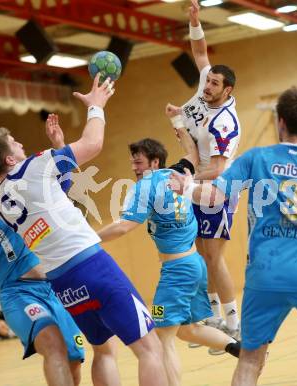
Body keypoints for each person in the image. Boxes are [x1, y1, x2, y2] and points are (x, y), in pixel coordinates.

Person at [0, 74, 168, 386]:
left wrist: (60, 147)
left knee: (103, 351)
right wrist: (96, 106)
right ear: (10, 158)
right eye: (15, 142)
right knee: (149, 347)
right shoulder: (35, 165)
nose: (21, 142)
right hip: (92, 266)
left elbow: (56, 194)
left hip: (63, 282)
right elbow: (93, 144)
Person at [170, 87, 297, 385]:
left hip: (264, 277)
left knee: (250, 361)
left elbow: (215, 198)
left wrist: (187, 188)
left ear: (280, 121)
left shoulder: (256, 158)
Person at [97, 106, 240, 386]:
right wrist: (177, 122)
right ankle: (243, 350)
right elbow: (192, 153)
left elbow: (124, 226)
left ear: (153, 163)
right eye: (132, 161)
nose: (133, 167)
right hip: (195, 266)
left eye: (138, 162)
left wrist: (91, 238)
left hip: (176, 271)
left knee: (161, 339)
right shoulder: (178, 176)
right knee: (188, 331)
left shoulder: (144, 187)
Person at [0, 187, 84, 386]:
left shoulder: (26, 207)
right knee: (53, 345)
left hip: (55, 290)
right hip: (20, 293)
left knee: (73, 358)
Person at [169, 0, 242, 339]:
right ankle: (213, 314)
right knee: (200, 252)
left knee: (213, 257)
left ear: (227, 90)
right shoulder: (205, 86)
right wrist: (195, 21)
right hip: (198, 184)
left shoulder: (224, 123)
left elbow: (215, 170)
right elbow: (199, 52)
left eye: (214, 84)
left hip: (217, 190)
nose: (207, 86)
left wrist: (186, 179)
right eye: (208, 81)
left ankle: (233, 322)